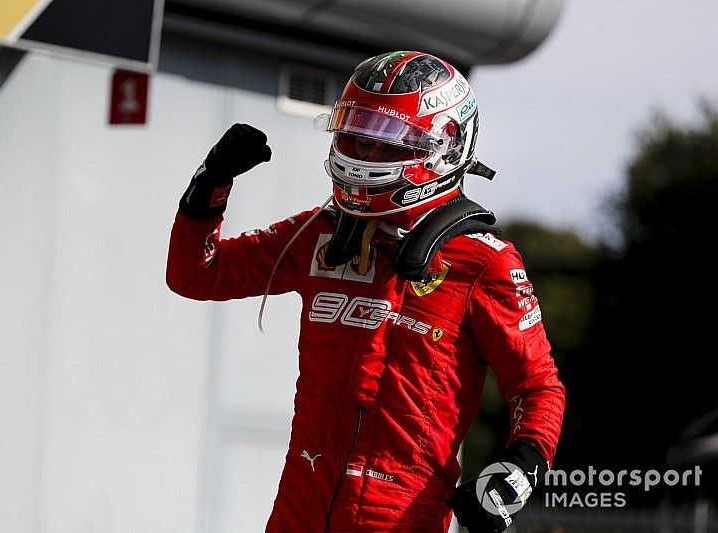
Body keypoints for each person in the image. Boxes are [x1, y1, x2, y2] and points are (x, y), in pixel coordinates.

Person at [167, 51, 565, 532]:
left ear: (446, 145)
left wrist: (519, 469)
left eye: (388, 141)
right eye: (359, 134)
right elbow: (195, 274)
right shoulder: (317, 234)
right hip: (299, 510)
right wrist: (211, 182)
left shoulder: (484, 262)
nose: (367, 154)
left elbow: (537, 387)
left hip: (401, 518)